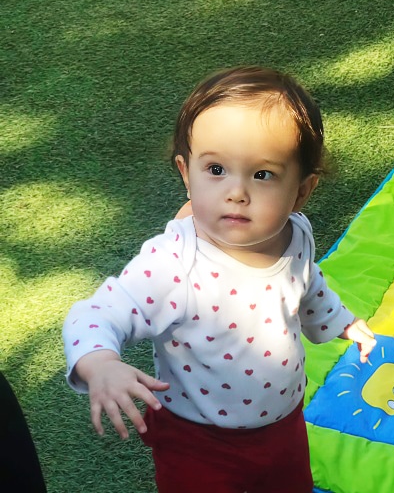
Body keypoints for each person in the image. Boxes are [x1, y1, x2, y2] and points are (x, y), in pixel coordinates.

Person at [62, 65, 377, 493]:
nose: (236, 192)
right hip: (197, 440)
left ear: (301, 191)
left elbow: (306, 284)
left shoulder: (295, 233)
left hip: (283, 424)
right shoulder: (176, 263)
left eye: (262, 174)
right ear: (185, 172)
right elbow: (97, 313)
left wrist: (339, 320)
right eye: (215, 170)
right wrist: (100, 363)